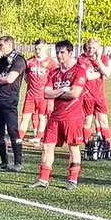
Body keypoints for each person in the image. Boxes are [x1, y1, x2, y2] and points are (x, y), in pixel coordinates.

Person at [28, 40, 86, 189]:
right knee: (47, 146)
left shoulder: (79, 71)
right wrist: (62, 91)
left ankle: (72, 179)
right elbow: (46, 94)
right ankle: (43, 179)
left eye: (62, 52)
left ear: (70, 53)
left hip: (73, 116)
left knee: (73, 147)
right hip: (55, 116)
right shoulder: (54, 73)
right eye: (58, 52)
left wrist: (58, 93)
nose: (59, 55)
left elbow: (75, 93)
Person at [0, 35, 26, 171]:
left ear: (9, 45)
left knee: (12, 131)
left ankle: (18, 162)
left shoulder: (18, 60)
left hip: (9, 100)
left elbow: (9, 79)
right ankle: (4, 162)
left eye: (1, 46)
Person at [77, 38, 111, 157]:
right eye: (89, 48)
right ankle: (87, 145)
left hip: (100, 95)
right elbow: (87, 76)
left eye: (94, 48)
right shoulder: (82, 59)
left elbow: (108, 73)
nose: (91, 50)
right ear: (86, 47)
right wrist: (101, 73)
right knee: (87, 122)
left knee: (103, 121)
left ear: (98, 49)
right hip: (87, 95)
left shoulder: (103, 58)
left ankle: (108, 146)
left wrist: (98, 60)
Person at [22, 41, 56, 144]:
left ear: (45, 48)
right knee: (25, 116)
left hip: (43, 95)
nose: (37, 51)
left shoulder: (51, 62)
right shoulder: (30, 61)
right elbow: (26, 76)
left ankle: (39, 137)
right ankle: (19, 137)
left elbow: (54, 78)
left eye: (40, 49)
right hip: (30, 94)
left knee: (42, 117)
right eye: (36, 49)